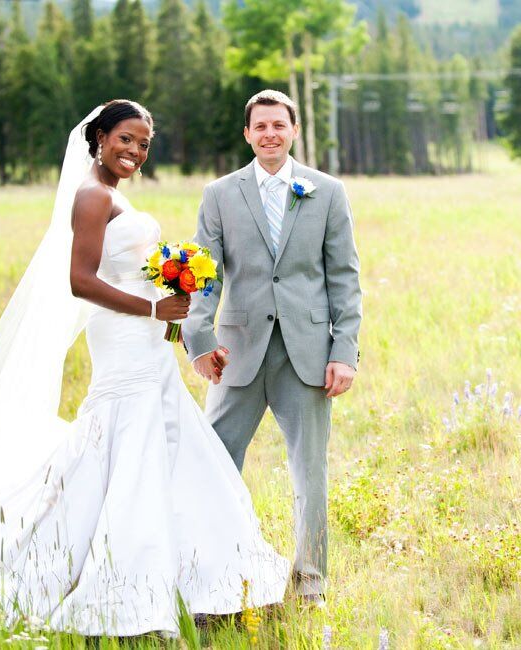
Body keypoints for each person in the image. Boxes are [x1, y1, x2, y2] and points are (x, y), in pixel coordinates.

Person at [0, 100, 289, 636]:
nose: (135, 151)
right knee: (123, 444)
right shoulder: (90, 196)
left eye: (144, 144)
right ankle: (112, 586)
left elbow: (131, 274)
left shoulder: (114, 197)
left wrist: (173, 305)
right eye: (125, 138)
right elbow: (80, 280)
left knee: (167, 442)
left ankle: (199, 580)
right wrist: (152, 307)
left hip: (146, 340)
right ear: (99, 137)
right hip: (123, 338)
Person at [183, 89, 363, 605]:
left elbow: (345, 277)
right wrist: (198, 340)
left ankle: (310, 585)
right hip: (235, 353)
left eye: (278, 125)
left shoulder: (326, 191)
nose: (269, 134)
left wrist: (344, 352)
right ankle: (209, 576)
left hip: (307, 354)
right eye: (260, 126)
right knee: (213, 463)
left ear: (294, 131)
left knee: (311, 473)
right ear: (246, 134)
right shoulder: (220, 193)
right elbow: (205, 272)